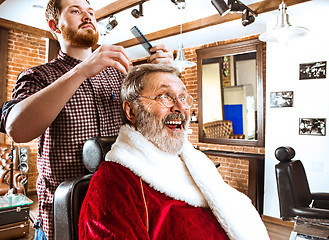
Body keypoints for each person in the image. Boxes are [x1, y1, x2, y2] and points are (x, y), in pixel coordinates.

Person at [0, 0, 173, 239]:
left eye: (91, 12)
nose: (87, 16)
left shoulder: (119, 75)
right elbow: (16, 129)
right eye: (75, 10)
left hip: (117, 210)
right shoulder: (38, 76)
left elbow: (151, 127)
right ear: (54, 26)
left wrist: (164, 80)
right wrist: (81, 70)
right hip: (64, 215)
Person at [79, 64, 270, 240]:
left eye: (183, 98)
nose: (180, 108)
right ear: (131, 111)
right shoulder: (115, 182)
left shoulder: (194, 163)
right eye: (165, 96)